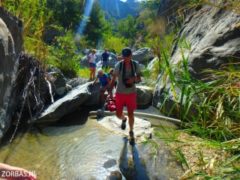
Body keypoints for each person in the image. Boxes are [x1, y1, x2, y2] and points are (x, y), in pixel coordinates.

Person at [110, 47, 141, 145]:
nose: (126, 59)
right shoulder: (118, 65)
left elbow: (139, 78)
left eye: (128, 56)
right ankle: (123, 119)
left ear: (131, 56)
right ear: (122, 57)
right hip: (119, 92)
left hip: (131, 93)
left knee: (131, 113)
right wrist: (110, 91)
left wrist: (134, 79)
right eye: (124, 57)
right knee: (118, 114)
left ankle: (131, 131)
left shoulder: (135, 65)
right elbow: (113, 79)